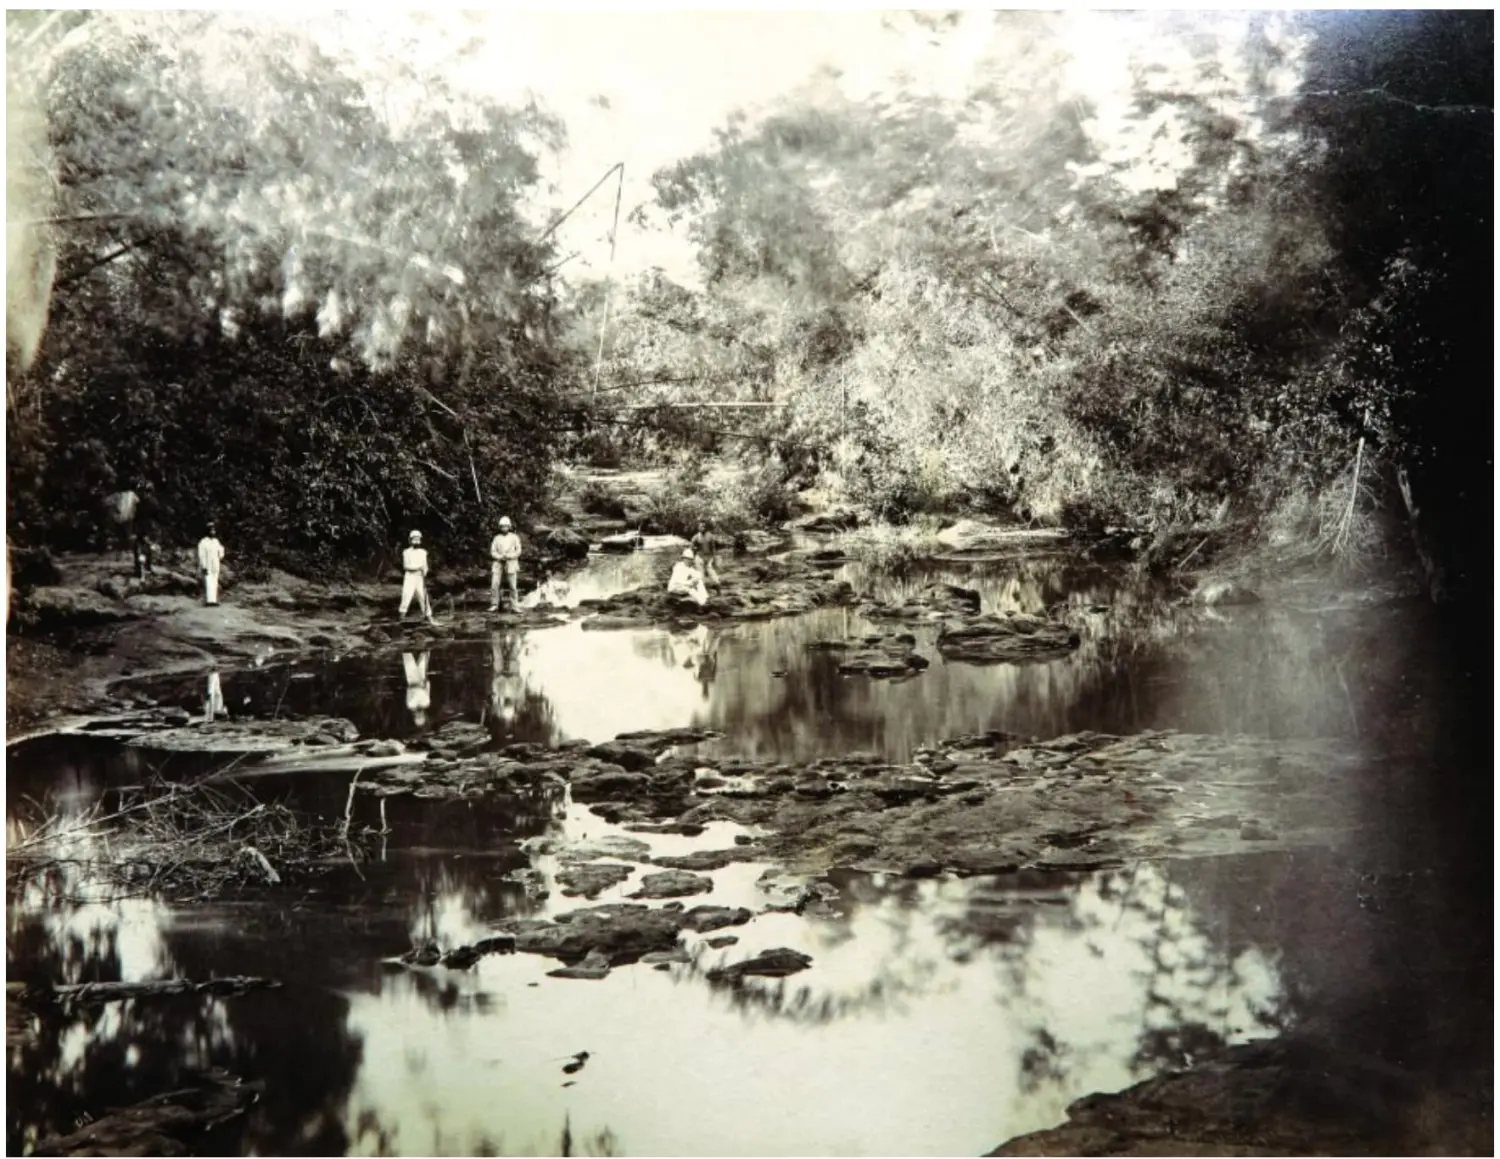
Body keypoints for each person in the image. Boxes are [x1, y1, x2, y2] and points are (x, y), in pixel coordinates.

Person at [489, 516, 523, 612]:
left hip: (511, 563)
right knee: (495, 584)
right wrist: (500, 557)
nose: (504, 528)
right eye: (502, 526)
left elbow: (519, 551)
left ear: (509, 527)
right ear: (500, 528)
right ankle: (495, 604)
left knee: (513, 586)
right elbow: (492, 551)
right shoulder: (496, 538)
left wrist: (509, 556)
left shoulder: (514, 537)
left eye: (506, 526)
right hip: (498, 563)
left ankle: (515, 606)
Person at [399, 530, 433, 621]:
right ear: (410, 540)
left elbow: (425, 566)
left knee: (423, 596)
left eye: (418, 539)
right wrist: (418, 567)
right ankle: (401, 617)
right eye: (414, 539)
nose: (416, 541)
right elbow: (406, 566)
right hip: (410, 577)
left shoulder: (423, 552)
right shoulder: (406, 552)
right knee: (406, 595)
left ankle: (428, 616)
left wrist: (424, 572)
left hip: (420, 577)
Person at [197, 523, 225, 606]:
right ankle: (209, 601)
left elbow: (221, 552)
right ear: (207, 531)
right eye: (211, 530)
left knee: (215, 581)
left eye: (214, 530)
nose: (213, 532)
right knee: (209, 582)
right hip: (207, 565)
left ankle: (214, 600)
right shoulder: (203, 542)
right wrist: (204, 566)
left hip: (215, 564)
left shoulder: (216, 541)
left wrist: (220, 554)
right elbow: (202, 555)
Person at [403, 650, 431, 729]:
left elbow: (409, 690)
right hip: (422, 680)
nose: (419, 714)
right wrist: (427, 683)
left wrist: (420, 689)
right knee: (424, 658)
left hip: (412, 680)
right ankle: (424, 648)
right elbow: (428, 691)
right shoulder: (426, 703)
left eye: (418, 717)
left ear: (414, 716)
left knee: (408, 659)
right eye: (421, 716)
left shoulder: (410, 705)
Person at [690, 523, 721, 587]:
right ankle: (703, 588)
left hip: (709, 557)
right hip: (700, 557)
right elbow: (691, 547)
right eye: (700, 527)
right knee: (701, 574)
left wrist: (714, 558)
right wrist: (694, 550)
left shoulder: (710, 536)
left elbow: (713, 548)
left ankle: (717, 585)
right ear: (698, 528)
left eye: (703, 527)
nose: (701, 528)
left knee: (711, 572)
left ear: (706, 528)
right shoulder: (696, 537)